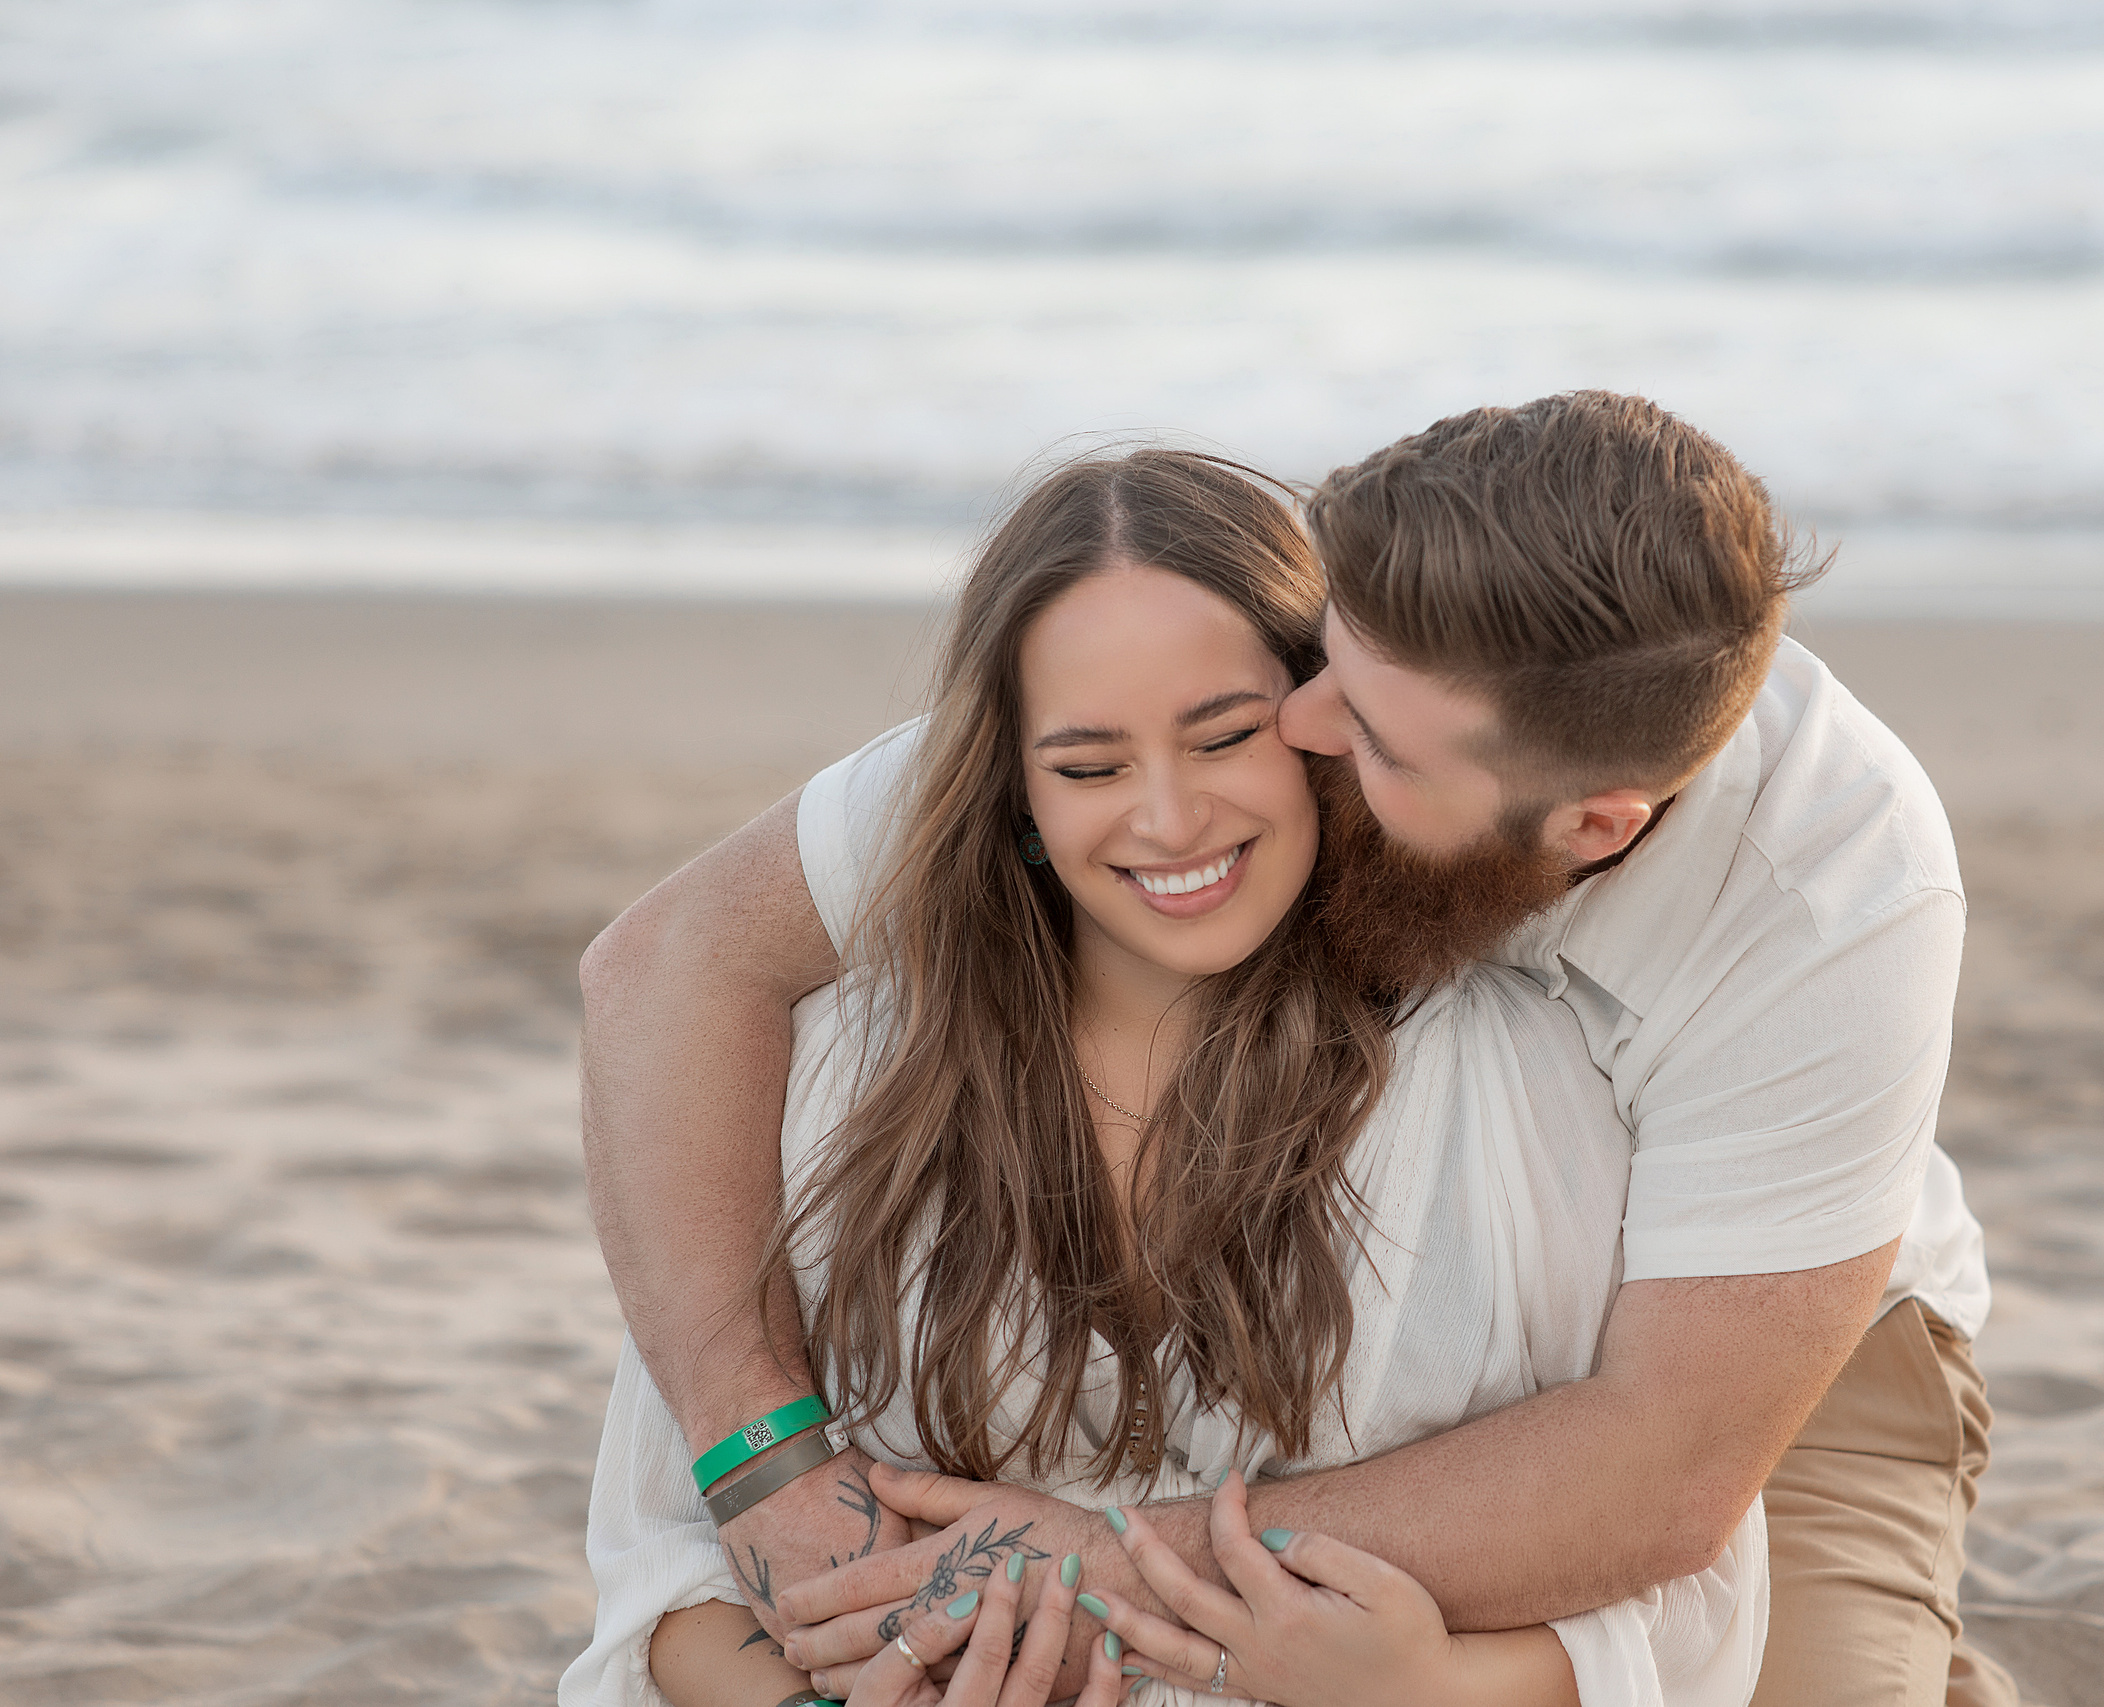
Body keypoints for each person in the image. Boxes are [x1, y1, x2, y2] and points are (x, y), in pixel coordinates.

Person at [579, 393, 2015, 1707]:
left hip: (1783, 1346)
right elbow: (673, 962)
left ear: (1595, 828)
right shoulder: (1274, 700)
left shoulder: (1825, 894)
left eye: (1367, 738)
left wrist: (1105, 1561)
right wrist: (759, 1460)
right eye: (1320, 659)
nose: (1300, 722)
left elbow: (1668, 1475)